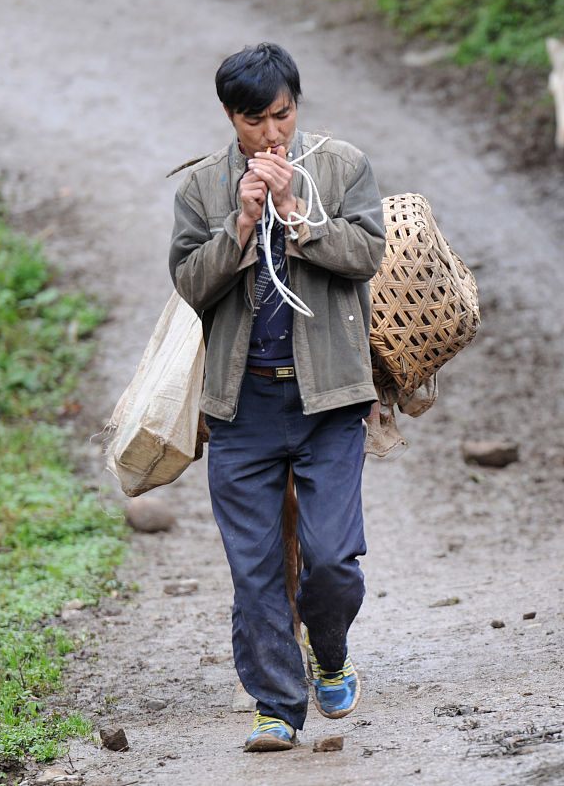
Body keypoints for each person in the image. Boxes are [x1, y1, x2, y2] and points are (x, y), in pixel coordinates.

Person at [169, 42, 385, 750]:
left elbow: (366, 255)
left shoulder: (341, 166)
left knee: (329, 558)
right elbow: (188, 286)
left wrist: (296, 215)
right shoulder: (201, 189)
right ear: (232, 117)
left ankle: (328, 645)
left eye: (283, 116)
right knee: (255, 566)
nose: (273, 135)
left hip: (328, 402)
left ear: (297, 106)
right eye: (256, 121)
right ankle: (275, 706)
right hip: (243, 407)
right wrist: (238, 225)